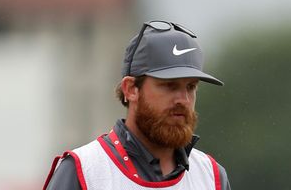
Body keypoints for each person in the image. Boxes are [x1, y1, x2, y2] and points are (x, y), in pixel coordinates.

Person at [43, 20, 231, 190]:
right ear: (131, 89)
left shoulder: (211, 176)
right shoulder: (84, 171)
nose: (184, 99)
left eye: (191, 87)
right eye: (170, 85)